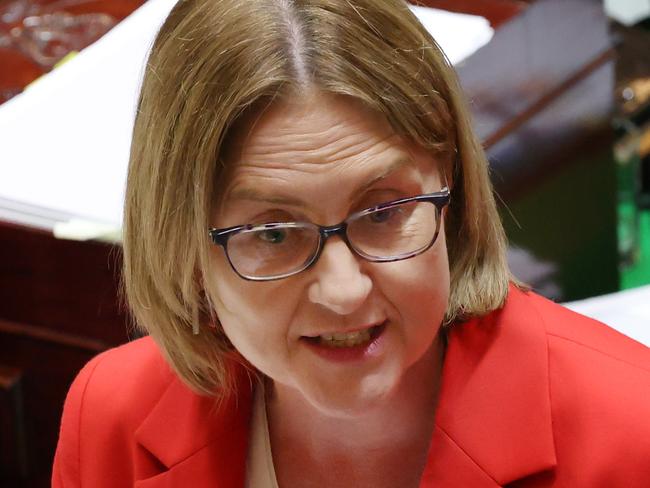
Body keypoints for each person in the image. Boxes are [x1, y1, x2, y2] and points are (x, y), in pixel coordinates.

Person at [52, 0, 650, 486]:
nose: (345, 292)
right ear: (180, 240)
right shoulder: (108, 414)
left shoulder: (631, 429)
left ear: (453, 187)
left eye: (384, 211)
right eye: (274, 233)